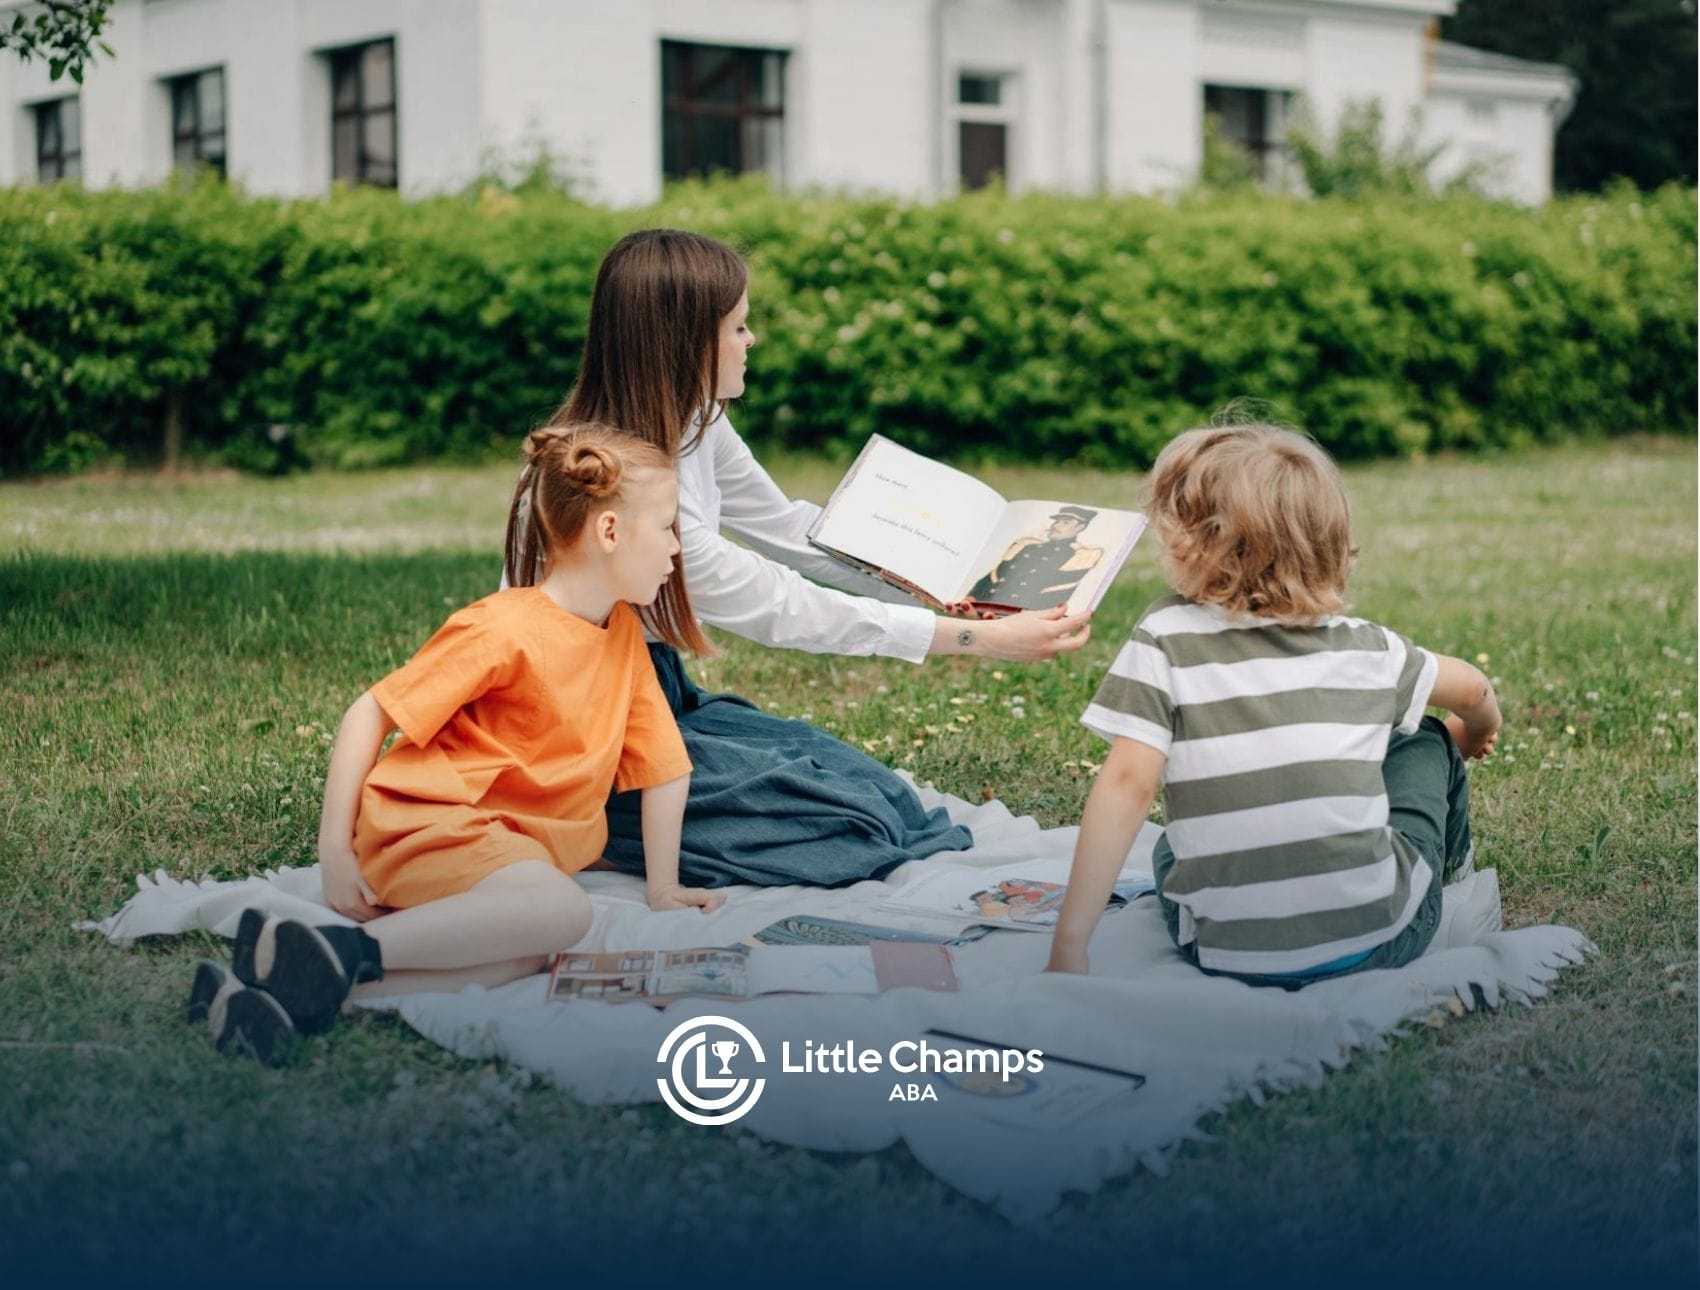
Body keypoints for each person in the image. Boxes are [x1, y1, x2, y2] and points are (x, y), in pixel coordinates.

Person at [536, 228, 1094, 889]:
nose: (752, 342)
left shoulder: (695, 421)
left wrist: (941, 584)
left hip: (658, 693)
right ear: (684, 345)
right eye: (738, 328)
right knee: (854, 833)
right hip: (586, 731)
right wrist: (973, 638)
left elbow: (791, 532)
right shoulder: (615, 483)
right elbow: (781, 606)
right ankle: (595, 831)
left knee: (885, 801)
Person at [189, 426, 722, 1063]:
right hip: (429, 827)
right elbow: (370, 713)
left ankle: (311, 991)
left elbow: (663, 766)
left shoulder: (623, 635)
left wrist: (662, 889)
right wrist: (334, 849)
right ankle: (347, 949)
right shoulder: (504, 627)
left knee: (526, 947)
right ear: (609, 532)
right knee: (564, 912)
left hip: (496, 852)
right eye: (667, 527)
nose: (676, 548)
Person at [1046, 424, 1501, 986]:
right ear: (1332, 543)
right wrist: (1475, 732)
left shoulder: (1165, 636)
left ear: (1191, 540)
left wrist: (1069, 946)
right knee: (1424, 735)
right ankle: (1452, 882)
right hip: (1380, 942)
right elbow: (1475, 691)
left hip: (1228, 955)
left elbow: (1127, 786)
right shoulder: (1367, 647)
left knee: (1171, 848)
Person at [967, 505, 1105, 608]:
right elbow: (997, 573)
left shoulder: (1078, 557)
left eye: (1065, 522)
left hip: (1020, 612)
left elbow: (1057, 592)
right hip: (987, 602)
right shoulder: (1029, 546)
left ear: (1081, 527)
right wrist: (973, 596)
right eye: (1056, 521)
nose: (1056, 526)